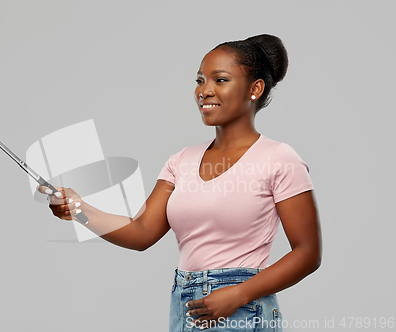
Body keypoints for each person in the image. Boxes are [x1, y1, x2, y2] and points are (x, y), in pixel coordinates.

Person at [39, 34, 322, 332]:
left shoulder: (279, 158)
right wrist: (78, 209)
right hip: (185, 306)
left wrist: (239, 293)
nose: (204, 91)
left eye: (220, 80)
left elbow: (307, 252)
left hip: (242, 310)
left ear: (255, 88)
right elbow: (142, 232)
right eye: (200, 81)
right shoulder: (181, 160)